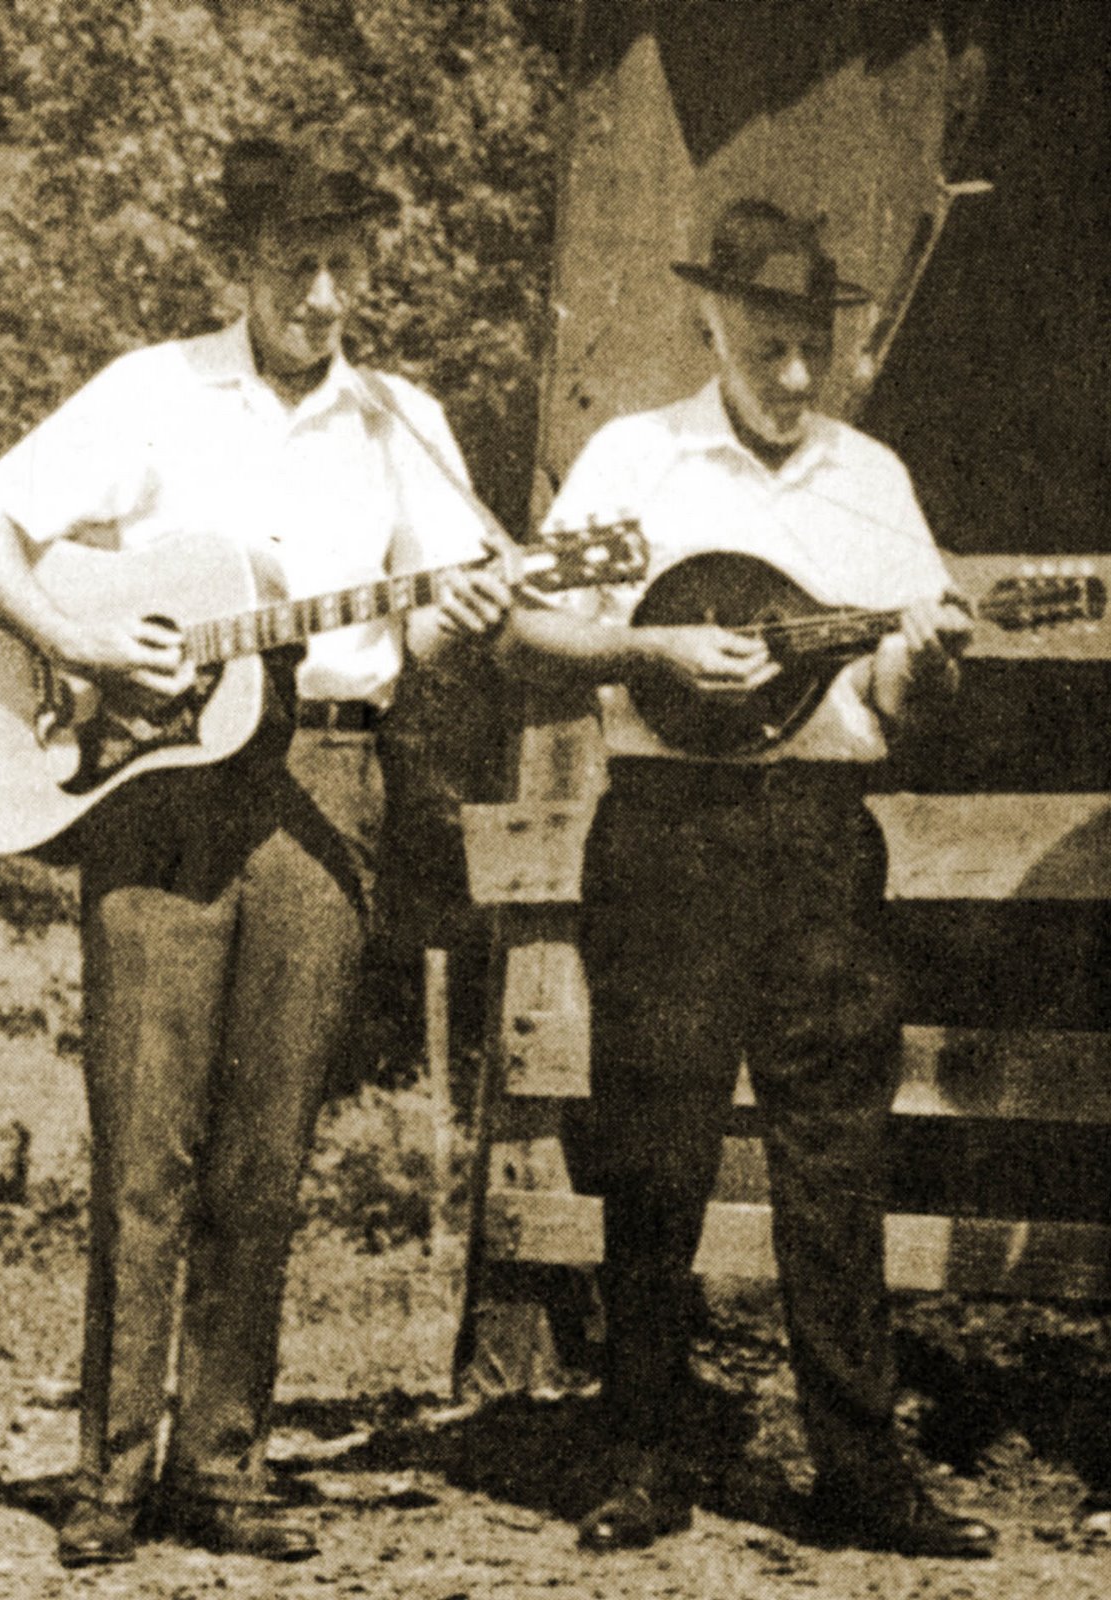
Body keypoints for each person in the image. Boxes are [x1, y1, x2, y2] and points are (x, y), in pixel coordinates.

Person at [0, 129, 511, 1568]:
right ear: (240, 266)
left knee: (268, 1144)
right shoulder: (152, 390)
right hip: (160, 789)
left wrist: (454, 623)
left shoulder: (403, 421)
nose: (323, 295)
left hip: (329, 774)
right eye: (295, 264)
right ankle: (110, 1473)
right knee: (147, 1139)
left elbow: (435, 623)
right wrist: (76, 642)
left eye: (344, 265)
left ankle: (223, 1463)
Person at [497, 200, 997, 1559]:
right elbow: (528, 624)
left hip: (816, 839)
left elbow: (893, 696)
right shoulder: (636, 457)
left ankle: (861, 1475)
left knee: (834, 1153)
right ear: (709, 322)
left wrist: (922, 659)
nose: (794, 374)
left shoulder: (868, 477)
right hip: (664, 835)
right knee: (653, 1150)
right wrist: (646, 653)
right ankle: (641, 1459)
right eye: (768, 345)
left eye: (813, 349)